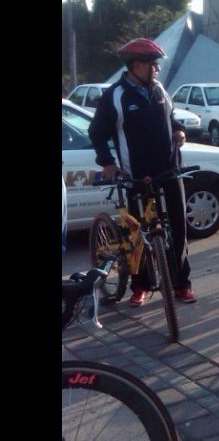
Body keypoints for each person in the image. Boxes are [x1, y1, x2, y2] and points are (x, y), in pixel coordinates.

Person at [88, 38, 196, 306]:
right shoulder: (115, 95)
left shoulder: (159, 89)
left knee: (179, 228)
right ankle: (141, 286)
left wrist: (179, 129)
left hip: (170, 169)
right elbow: (97, 133)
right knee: (136, 233)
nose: (157, 70)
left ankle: (182, 283)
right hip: (136, 174)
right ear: (137, 65)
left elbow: (170, 117)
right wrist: (107, 162)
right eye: (153, 65)